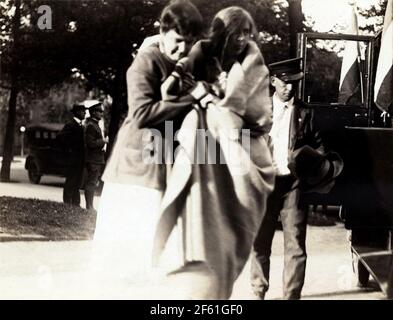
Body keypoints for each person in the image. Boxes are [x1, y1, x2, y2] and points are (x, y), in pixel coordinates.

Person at [151, 6, 275, 299]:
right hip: (208, 148)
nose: (243, 38)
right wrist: (197, 91)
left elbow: (253, 114)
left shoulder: (252, 61)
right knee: (205, 220)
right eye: (237, 32)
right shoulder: (203, 51)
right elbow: (169, 91)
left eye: (248, 32)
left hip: (242, 148)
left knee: (237, 225)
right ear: (223, 33)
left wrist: (208, 99)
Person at [87, 0, 205, 298]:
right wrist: (193, 99)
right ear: (163, 32)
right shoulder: (146, 61)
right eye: (178, 41)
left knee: (156, 260)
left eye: (189, 43)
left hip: (161, 164)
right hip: (135, 169)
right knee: (130, 258)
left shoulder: (181, 65)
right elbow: (142, 114)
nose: (183, 49)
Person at [251, 57, 343, 300]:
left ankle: (291, 297)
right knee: (260, 242)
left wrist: (310, 166)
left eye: (294, 82)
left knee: (295, 245)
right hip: (264, 185)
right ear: (273, 82)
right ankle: (258, 292)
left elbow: (321, 149)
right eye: (284, 82)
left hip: (293, 187)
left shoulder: (306, 113)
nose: (289, 87)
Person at [57, 103, 86, 207]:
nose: (85, 113)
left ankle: (75, 203)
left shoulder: (81, 126)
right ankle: (67, 202)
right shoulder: (71, 125)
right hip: (73, 159)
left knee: (77, 181)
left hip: (79, 159)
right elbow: (60, 137)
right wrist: (69, 150)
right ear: (77, 112)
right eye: (83, 111)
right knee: (71, 180)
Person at [84, 101, 108, 211]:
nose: (102, 114)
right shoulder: (91, 126)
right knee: (91, 183)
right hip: (93, 159)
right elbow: (91, 143)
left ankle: (90, 205)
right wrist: (103, 141)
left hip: (96, 158)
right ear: (93, 113)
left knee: (93, 182)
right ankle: (89, 206)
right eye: (100, 111)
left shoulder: (94, 125)